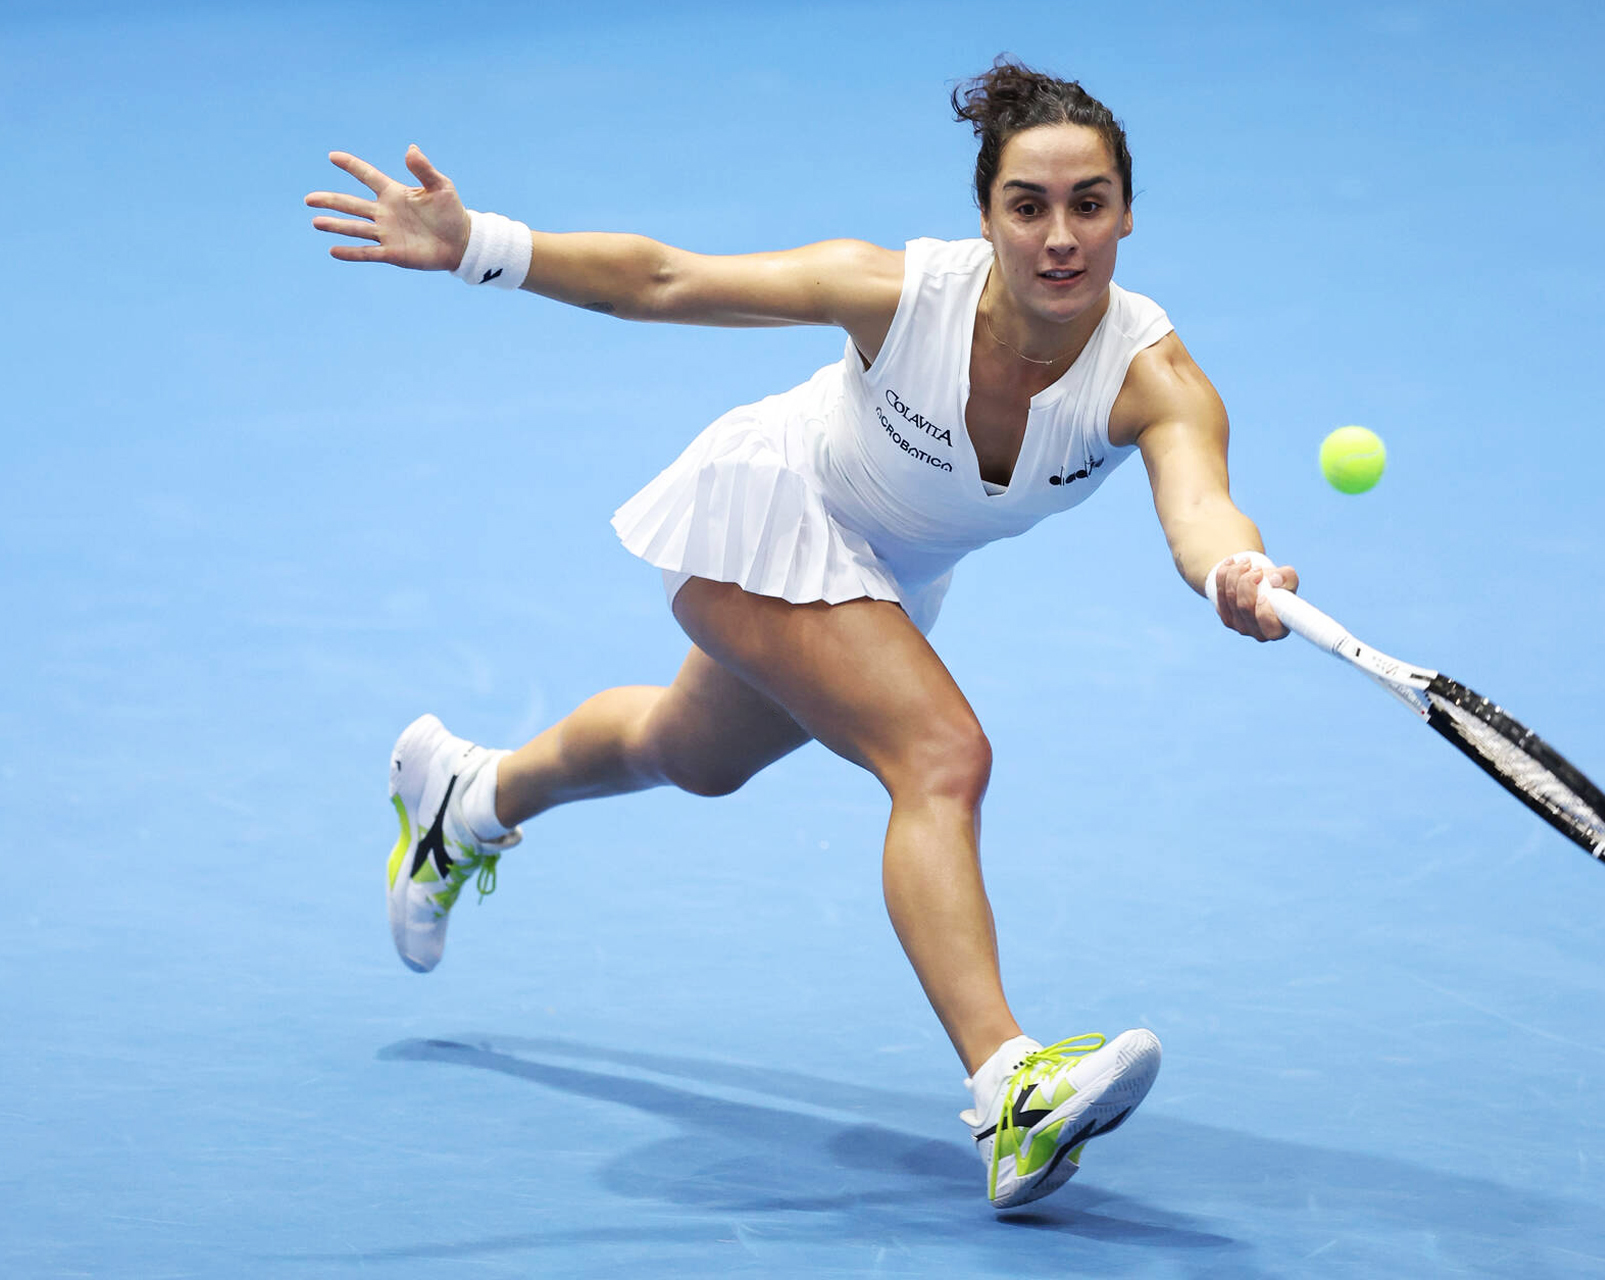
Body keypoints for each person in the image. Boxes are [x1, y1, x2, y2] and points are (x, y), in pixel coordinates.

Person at [308, 59, 1299, 1210]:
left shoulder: (1156, 379)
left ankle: (465, 798)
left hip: (885, 582)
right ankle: (1010, 1087)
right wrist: (481, 241)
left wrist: (1233, 567)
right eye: (1028, 205)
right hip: (771, 506)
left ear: (1128, 212)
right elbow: (668, 277)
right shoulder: (897, 293)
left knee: (692, 753)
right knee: (940, 755)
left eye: (1089, 203)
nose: (1061, 235)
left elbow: (1201, 505)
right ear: (986, 217)